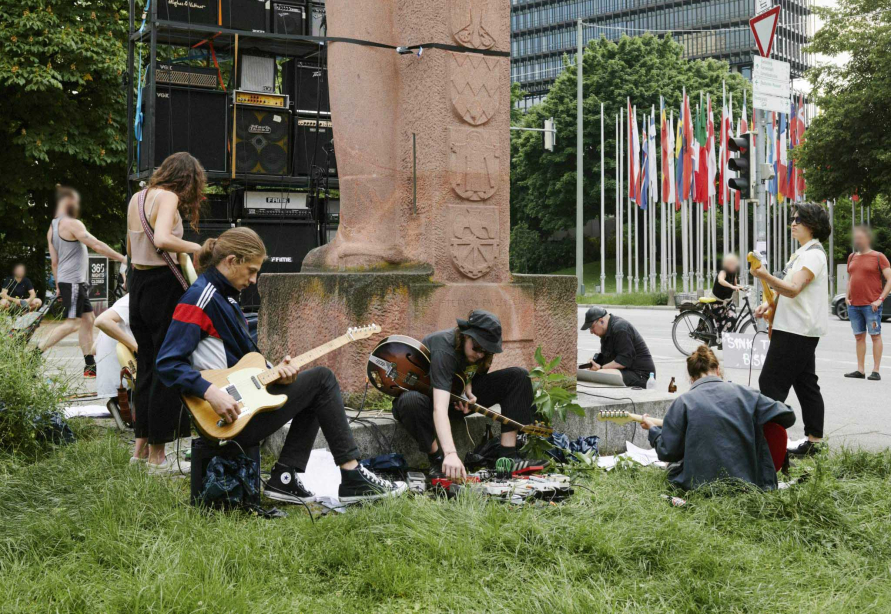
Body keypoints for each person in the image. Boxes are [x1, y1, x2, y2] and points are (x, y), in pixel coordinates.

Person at [157, 228, 406, 502]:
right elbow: (168, 363)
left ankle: (285, 479)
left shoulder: (226, 297)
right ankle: (352, 475)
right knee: (322, 380)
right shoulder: (200, 297)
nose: (253, 280)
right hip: (227, 418)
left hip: (244, 409)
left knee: (314, 387)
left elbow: (241, 363)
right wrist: (210, 392)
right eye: (251, 270)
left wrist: (276, 374)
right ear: (230, 261)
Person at [126, 152, 206, 472]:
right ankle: (159, 457)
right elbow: (162, 239)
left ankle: (140, 451)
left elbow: (131, 250)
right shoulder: (169, 197)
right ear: (187, 179)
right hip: (162, 286)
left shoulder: (137, 197)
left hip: (138, 283)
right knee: (167, 367)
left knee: (145, 366)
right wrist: (198, 248)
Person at [392, 310, 538, 481]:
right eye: (477, 348)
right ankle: (438, 462)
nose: (480, 355)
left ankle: (507, 457)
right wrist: (451, 454)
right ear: (465, 336)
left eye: (487, 351)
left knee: (518, 376)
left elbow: (465, 372)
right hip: (426, 404)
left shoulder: (479, 354)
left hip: (455, 401)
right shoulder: (443, 347)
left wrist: (466, 391)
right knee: (411, 401)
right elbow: (439, 408)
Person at [639, 345, 795, 491]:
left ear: (691, 379)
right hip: (748, 483)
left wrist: (653, 431)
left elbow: (668, 452)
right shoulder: (747, 394)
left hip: (698, 485)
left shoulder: (683, 402)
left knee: (673, 465)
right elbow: (788, 415)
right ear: (718, 370)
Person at [752, 203, 831, 457]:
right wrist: (768, 303)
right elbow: (786, 291)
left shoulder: (813, 255)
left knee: (770, 385)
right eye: (793, 219)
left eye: (800, 219)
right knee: (806, 383)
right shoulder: (801, 254)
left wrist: (765, 275)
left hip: (796, 330)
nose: (793, 223)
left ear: (814, 225)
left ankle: (770, 447)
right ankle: (814, 441)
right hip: (797, 329)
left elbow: (794, 288)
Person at [39, 186, 127, 378]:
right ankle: (33, 355)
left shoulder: (52, 228)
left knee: (89, 320)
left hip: (67, 281)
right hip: (73, 282)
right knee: (73, 324)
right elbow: (96, 245)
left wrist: (58, 285)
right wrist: (122, 258)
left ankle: (90, 366)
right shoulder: (72, 224)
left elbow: (54, 261)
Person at [844, 225, 891, 381]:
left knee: (875, 336)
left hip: (872, 306)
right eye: (856, 237)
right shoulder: (851, 257)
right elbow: (850, 279)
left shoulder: (879, 257)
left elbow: (890, 279)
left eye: (860, 237)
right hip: (854, 305)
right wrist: (846, 296)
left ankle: (876, 370)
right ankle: (860, 370)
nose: (857, 240)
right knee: (859, 337)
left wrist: (880, 299)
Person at [94, 286, 137, 442]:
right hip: (124, 384)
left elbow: (93, 349)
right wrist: (135, 347)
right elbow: (101, 321)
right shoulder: (130, 300)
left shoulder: (118, 305)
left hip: (113, 387)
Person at [581, 306, 656, 388]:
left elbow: (623, 361)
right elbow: (605, 356)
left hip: (641, 375)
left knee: (601, 374)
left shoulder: (620, 328)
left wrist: (601, 368)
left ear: (601, 321)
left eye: (592, 327)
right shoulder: (606, 333)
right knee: (595, 373)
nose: (591, 332)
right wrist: (594, 362)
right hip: (627, 370)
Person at [711, 254, 743, 334]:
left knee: (733, 318)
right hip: (717, 302)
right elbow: (720, 280)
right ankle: (723, 338)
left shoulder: (734, 272)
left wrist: (742, 287)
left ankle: (725, 337)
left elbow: (735, 285)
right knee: (719, 322)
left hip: (728, 301)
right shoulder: (723, 271)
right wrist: (731, 286)